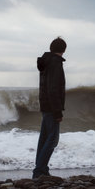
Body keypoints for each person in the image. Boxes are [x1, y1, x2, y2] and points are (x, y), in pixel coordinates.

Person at [33, 37, 66, 179]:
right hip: (52, 106)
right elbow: (53, 89)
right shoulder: (55, 63)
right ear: (63, 50)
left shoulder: (46, 62)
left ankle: (42, 169)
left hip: (45, 104)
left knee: (45, 138)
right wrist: (58, 111)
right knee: (52, 139)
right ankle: (39, 171)